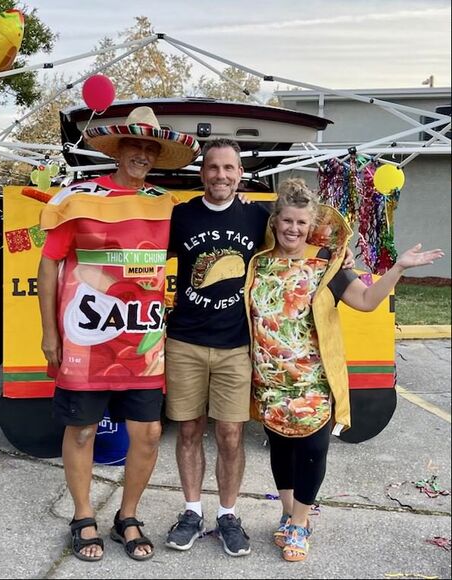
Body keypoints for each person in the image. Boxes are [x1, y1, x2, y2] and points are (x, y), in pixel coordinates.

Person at [164, 138, 353, 557]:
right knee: (189, 430)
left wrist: (344, 256)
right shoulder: (181, 215)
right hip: (185, 341)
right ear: (203, 172)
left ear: (240, 174)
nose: (221, 175)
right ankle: (191, 511)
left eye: (229, 168)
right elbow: (143, 254)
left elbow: (302, 230)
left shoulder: (257, 217)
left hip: (236, 345)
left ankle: (228, 515)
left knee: (231, 434)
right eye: (214, 167)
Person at [245, 177, 444, 563]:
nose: (293, 229)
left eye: (301, 223)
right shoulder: (258, 263)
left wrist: (399, 268)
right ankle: (287, 513)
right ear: (275, 221)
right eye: (287, 220)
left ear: (310, 226)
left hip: (314, 381)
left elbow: (367, 301)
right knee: (281, 449)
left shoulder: (326, 265)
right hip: (269, 382)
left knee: (312, 450)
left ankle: (300, 522)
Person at [37, 106, 200, 563]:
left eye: (151, 148)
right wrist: (49, 333)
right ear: (118, 149)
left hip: (142, 341)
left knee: (148, 433)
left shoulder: (166, 204)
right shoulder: (78, 198)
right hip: (85, 339)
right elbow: (49, 264)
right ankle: (83, 516)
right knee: (82, 431)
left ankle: (127, 515)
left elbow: (215, 236)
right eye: (135, 145)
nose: (143, 154)